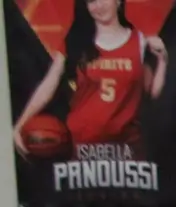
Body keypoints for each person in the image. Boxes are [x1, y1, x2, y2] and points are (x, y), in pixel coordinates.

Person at [10, 0, 166, 156]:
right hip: (83, 147)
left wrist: (162, 61)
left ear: (118, 2)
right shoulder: (76, 43)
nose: (99, 6)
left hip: (126, 147)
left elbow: (152, 93)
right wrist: (20, 124)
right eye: (91, 1)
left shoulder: (140, 42)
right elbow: (48, 84)